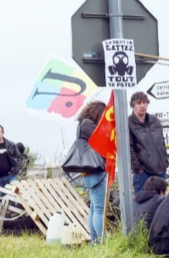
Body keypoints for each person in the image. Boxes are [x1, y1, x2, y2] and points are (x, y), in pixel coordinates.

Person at [74, 101, 108, 243]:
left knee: (94, 208)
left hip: (88, 171)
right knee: (99, 209)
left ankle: (95, 241)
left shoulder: (82, 124)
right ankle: (103, 241)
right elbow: (102, 139)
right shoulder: (88, 125)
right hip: (94, 170)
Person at [128, 91, 169, 195]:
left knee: (161, 202)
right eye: (139, 103)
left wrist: (165, 161)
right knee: (143, 204)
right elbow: (129, 148)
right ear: (133, 106)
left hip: (160, 169)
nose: (143, 105)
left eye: (145, 102)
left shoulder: (155, 121)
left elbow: (162, 143)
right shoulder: (128, 123)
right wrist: (138, 169)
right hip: (143, 172)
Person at [0, 125, 21, 198]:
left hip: (10, 176)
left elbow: (19, 158)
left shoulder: (11, 145)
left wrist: (15, 170)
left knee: (15, 196)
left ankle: (15, 209)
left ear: (3, 133)